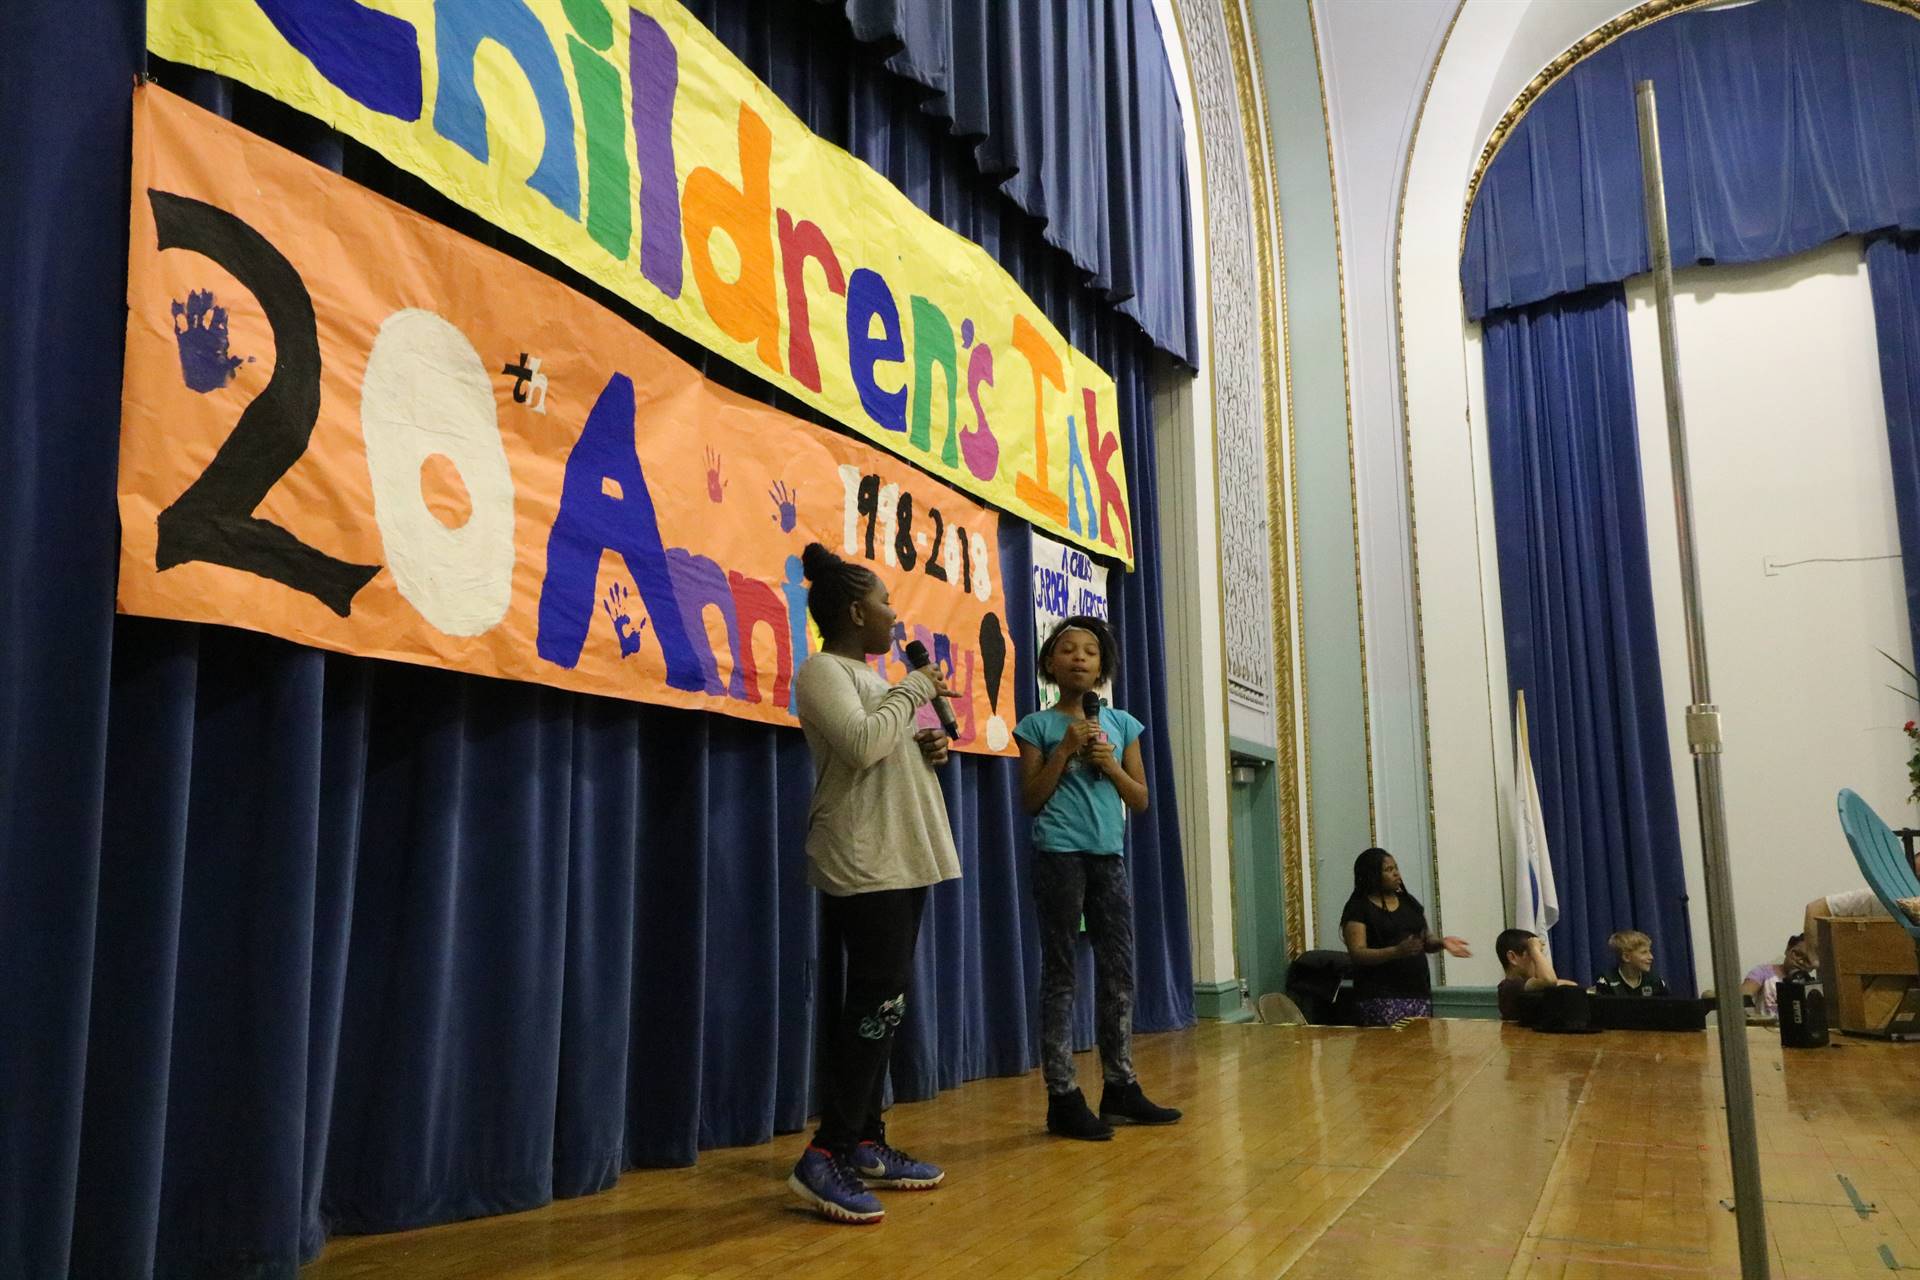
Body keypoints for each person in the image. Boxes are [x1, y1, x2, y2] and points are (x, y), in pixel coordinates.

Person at [786, 543, 959, 1225]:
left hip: (905, 853)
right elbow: (859, 745)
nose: (895, 614)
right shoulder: (823, 670)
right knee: (874, 1000)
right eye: (886, 601)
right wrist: (914, 691)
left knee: (886, 1004)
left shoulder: (885, 683)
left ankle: (864, 1141)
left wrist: (931, 749)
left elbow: (893, 751)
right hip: (863, 857)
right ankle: (822, 1155)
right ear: (857, 610)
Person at [1015, 615, 1181, 1140]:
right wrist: (1064, 751)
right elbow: (1030, 800)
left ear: (1103, 666)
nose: (1080, 658)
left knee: (1118, 972)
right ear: (1049, 663)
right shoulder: (1037, 726)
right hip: (1059, 857)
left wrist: (1109, 765)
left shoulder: (1124, 724)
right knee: (1061, 973)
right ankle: (1062, 1095)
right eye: (1068, 650)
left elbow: (1141, 798)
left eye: (1090, 651)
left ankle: (1120, 1087)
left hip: (1109, 857)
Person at [1339, 848, 1470, 1025]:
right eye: (1388, 870)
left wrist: (1441, 942)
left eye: (1396, 868)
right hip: (1379, 997)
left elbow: (1425, 941)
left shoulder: (1409, 902)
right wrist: (1395, 951)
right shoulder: (1359, 908)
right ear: (1371, 875)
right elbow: (1357, 953)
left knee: (1419, 1048)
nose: (1396, 874)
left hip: (1417, 992)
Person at [1494, 928, 1577, 1022]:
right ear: (1512, 957)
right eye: (1533, 955)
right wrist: (1534, 949)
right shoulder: (1511, 986)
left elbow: (1570, 985)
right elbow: (1549, 980)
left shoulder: (1524, 985)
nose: (1538, 961)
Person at [1741, 934, 1815, 1019]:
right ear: (1787, 949)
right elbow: (1744, 995)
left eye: (1808, 960)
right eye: (1797, 954)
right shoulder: (1763, 972)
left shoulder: (1812, 986)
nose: (1801, 962)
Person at [1592, 929, 1670, 998]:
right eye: (1644, 952)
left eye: (1649, 951)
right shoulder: (1607, 981)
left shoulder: (1654, 981)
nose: (1651, 957)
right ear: (1626, 957)